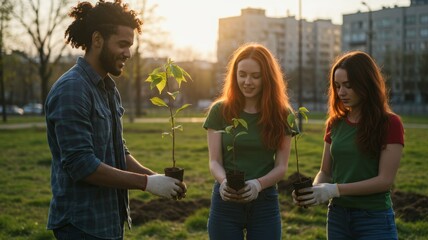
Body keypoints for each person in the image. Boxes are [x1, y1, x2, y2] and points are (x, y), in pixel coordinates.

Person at [45, 1, 186, 239]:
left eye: (130, 46)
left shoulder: (108, 88)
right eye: (122, 44)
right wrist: (146, 183)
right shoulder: (72, 90)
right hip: (81, 225)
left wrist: (155, 180)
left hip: (109, 221)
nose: (128, 53)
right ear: (97, 39)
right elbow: (82, 165)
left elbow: (118, 150)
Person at [292, 51, 404, 239]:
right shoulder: (335, 123)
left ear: (366, 84)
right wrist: (314, 192)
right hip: (338, 217)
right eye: (337, 86)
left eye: (348, 86)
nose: (341, 92)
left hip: (374, 219)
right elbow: (325, 172)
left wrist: (334, 190)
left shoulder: (390, 123)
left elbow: (385, 181)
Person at [203, 43, 295, 240]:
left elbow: (281, 167)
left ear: (267, 78)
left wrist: (257, 185)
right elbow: (214, 161)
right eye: (242, 74)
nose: (247, 81)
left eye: (256, 76)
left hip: (265, 203)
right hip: (226, 200)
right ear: (234, 75)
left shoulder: (282, 114)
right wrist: (224, 181)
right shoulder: (220, 111)